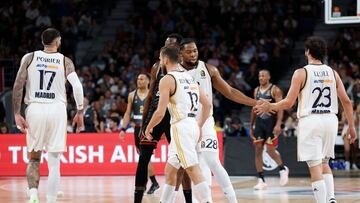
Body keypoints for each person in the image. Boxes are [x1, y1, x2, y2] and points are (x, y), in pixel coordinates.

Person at [255, 36, 357, 203]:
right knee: (325, 163)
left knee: (315, 166)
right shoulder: (333, 73)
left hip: (311, 120)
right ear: (323, 53)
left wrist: (270, 106)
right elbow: (346, 101)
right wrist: (351, 126)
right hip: (330, 120)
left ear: (308, 52)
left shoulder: (301, 72)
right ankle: (331, 199)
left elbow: (288, 103)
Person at [180, 39, 259, 203]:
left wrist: (255, 102)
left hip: (206, 121)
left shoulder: (209, 69)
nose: (193, 54)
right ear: (180, 53)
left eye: (195, 50)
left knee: (212, 161)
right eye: (189, 51)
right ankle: (204, 200)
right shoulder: (174, 73)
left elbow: (230, 91)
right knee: (193, 166)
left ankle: (232, 199)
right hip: (185, 124)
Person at [12, 28, 84, 203]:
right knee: (54, 161)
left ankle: (34, 193)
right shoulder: (65, 61)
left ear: (42, 41)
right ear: (58, 41)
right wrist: (80, 110)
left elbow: (18, 85)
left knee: (34, 158)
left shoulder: (29, 58)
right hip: (57, 110)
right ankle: (51, 201)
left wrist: (16, 113)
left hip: (35, 109)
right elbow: (77, 87)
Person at [144, 45, 213, 203]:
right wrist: (199, 126)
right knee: (170, 170)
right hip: (192, 124)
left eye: (160, 58)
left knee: (192, 167)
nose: (160, 61)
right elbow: (208, 104)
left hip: (180, 126)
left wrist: (148, 128)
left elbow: (160, 112)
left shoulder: (167, 79)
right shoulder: (189, 77)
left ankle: (208, 201)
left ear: (166, 59)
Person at [134, 34, 193, 203]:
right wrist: (145, 121)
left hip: (174, 116)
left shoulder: (185, 69)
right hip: (156, 112)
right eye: (165, 45)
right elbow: (151, 94)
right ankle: (137, 200)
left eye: (171, 45)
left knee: (183, 161)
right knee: (143, 158)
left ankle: (188, 200)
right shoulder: (156, 67)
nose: (167, 48)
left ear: (179, 49)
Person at [119, 73, 160, 194]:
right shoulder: (132, 95)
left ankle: (152, 183)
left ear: (148, 81)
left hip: (149, 128)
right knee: (144, 157)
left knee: (144, 157)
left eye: (142, 79)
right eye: (138, 79)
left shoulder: (152, 94)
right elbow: (127, 113)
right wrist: (123, 128)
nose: (139, 81)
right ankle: (151, 182)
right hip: (137, 129)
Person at [249, 69, 289, 190]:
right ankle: (261, 179)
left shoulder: (275, 90)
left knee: (270, 150)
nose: (261, 77)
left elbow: (281, 107)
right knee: (258, 150)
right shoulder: (256, 91)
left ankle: (282, 169)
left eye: (263, 75)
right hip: (259, 123)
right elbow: (254, 109)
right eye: (259, 75)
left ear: (269, 77)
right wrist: (251, 125)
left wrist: (278, 124)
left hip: (271, 124)